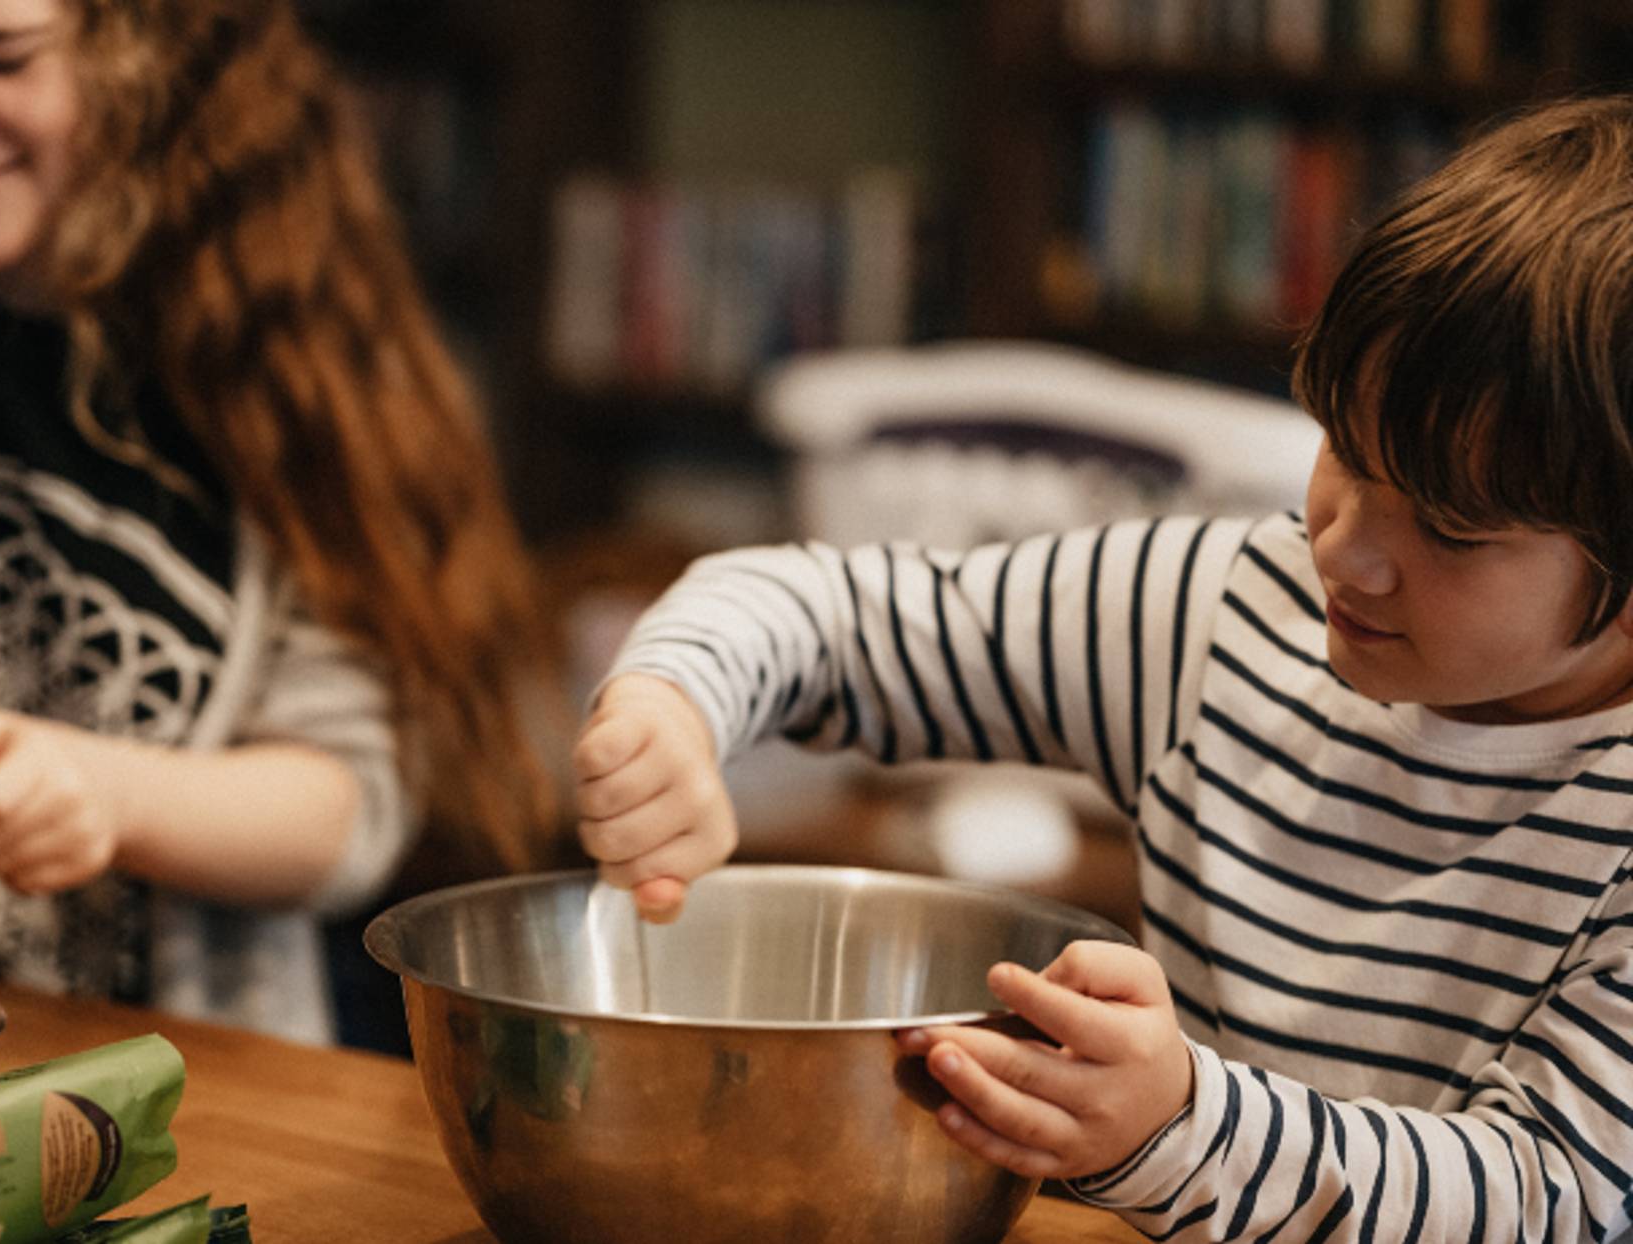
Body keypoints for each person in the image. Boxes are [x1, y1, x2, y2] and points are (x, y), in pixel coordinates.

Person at [573, 94, 1633, 1242]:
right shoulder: (1226, 610)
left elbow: (1555, 1198)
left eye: (1447, 524)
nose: (1343, 545)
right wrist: (673, 700)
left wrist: (1179, 1123)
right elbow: (825, 612)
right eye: (1345, 450)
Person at [0, 0, 556, 1046]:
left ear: (141, 60)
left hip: (152, 1098)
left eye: (3, 57)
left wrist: (115, 797)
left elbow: (351, 811)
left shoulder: (270, 365)